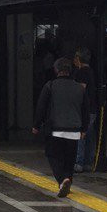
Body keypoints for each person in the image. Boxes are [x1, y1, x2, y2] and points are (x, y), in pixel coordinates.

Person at [34, 57, 88, 197]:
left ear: (56, 70)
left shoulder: (50, 86)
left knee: (53, 156)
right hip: (74, 130)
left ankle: (62, 179)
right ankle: (68, 179)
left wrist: (36, 125)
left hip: (55, 129)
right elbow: (85, 110)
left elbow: (41, 106)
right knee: (69, 158)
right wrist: (84, 129)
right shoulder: (79, 88)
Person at [72, 48, 99, 172]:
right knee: (89, 135)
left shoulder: (81, 72)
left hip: (84, 108)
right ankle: (88, 162)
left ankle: (79, 162)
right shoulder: (91, 71)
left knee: (81, 134)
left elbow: (81, 89)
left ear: (78, 59)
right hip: (92, 107)